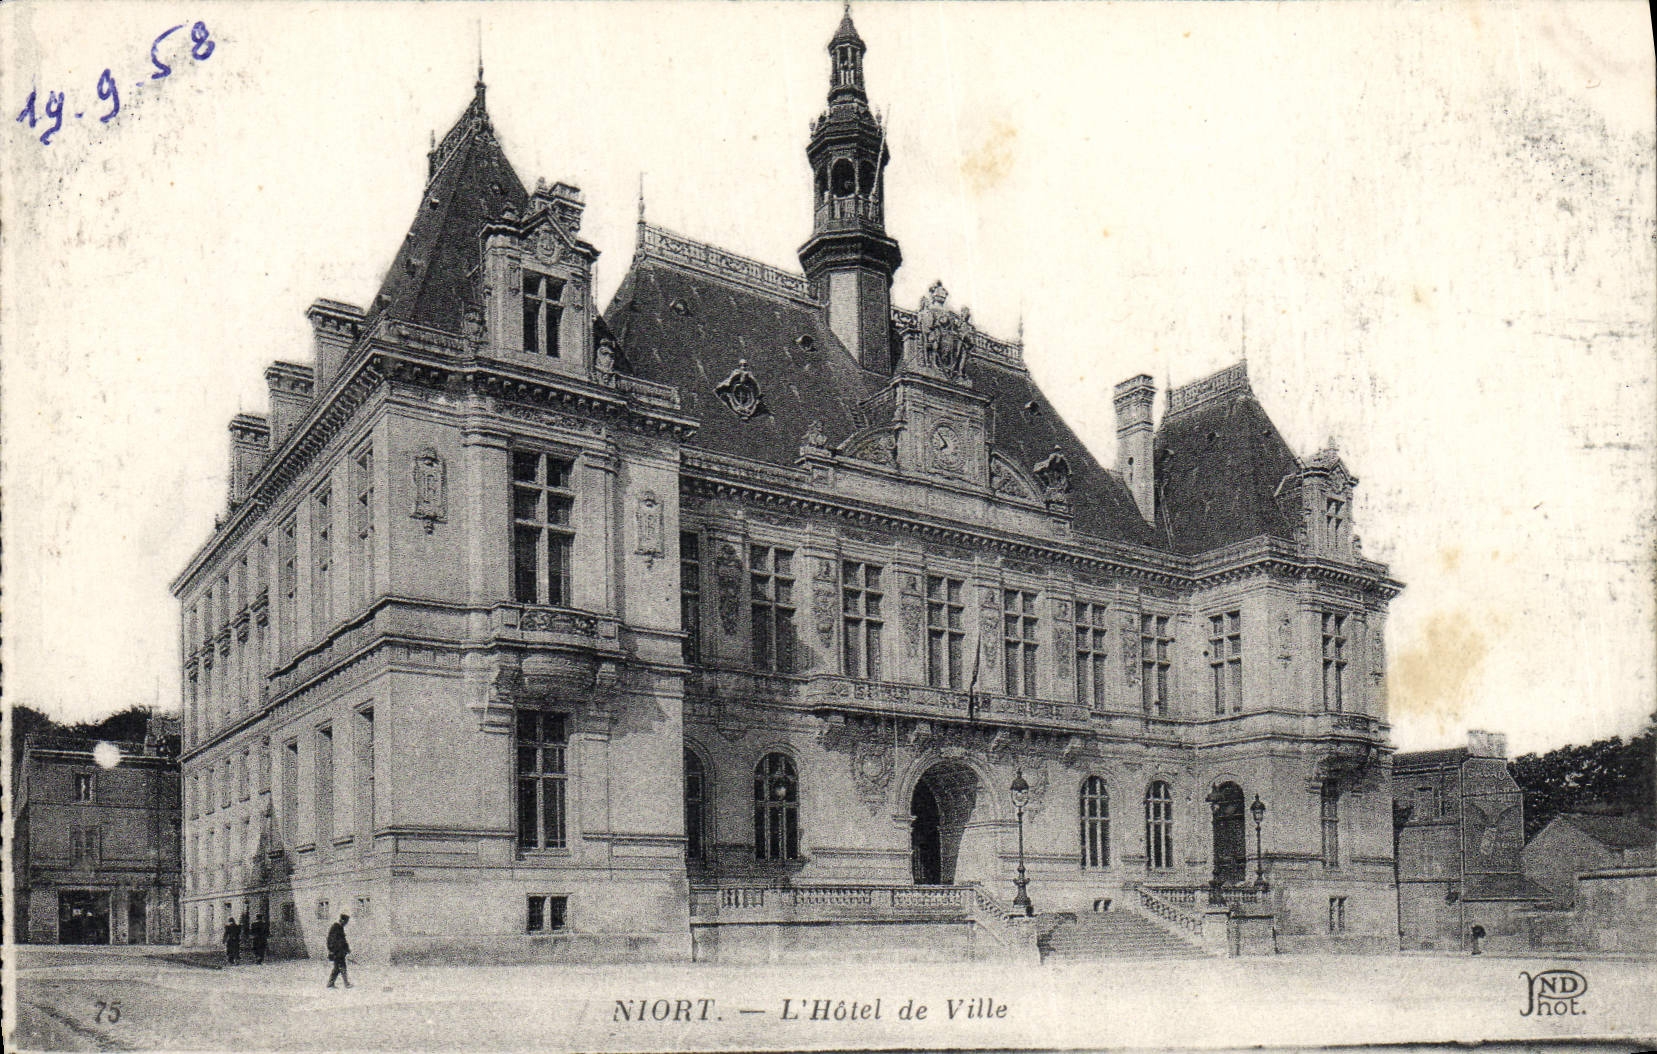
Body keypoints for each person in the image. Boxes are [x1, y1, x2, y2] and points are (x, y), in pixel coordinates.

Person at [325, 913, 352, 988]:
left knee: (337, 968)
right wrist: (331, 950)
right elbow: (330, 940)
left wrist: (347, 948)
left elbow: (343, 940)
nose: (346, 924)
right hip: (337, 952)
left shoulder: (340, 928)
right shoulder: (335, 927)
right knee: (342, 966)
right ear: (342, 920)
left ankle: (330, 984)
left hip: (340, 952)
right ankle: (346, 984)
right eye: (346, 922)